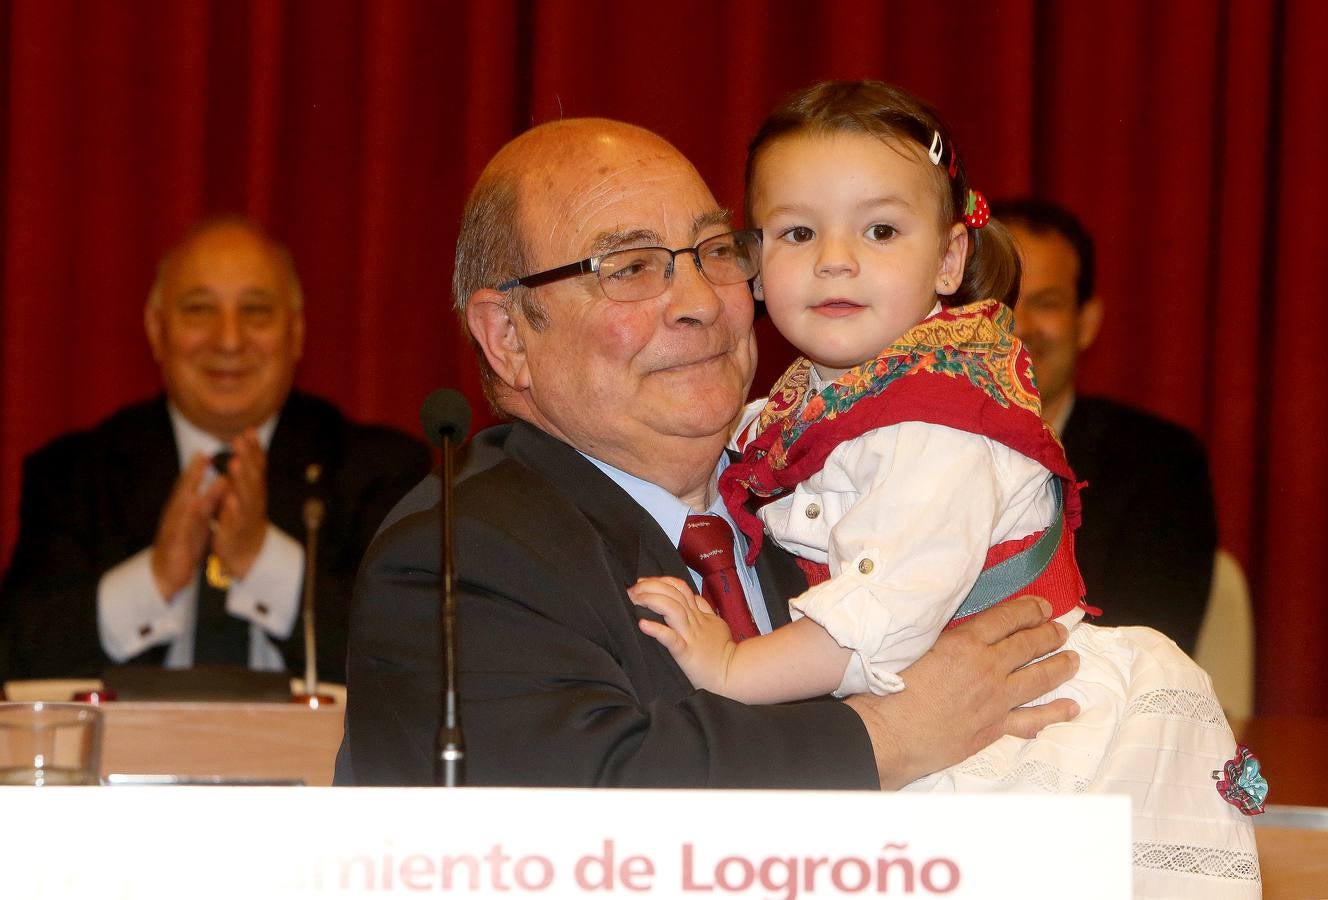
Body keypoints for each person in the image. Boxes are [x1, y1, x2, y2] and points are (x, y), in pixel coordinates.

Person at [628, 82, 1259, 898]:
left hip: (1003, 744)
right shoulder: (809, 400)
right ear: (752, 260)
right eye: (797, 232)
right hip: (916, 717)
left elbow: (875, 623)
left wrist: (729, 668)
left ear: (951, 258)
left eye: (882, 229)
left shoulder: (931, 425)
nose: (835, 259)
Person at [336, 116, 1082, 791]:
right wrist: (888, 736)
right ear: (509, 336)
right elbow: (575, 807)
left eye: (715, 252)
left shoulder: (820, 478)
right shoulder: (458, 557)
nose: (701, 301)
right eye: (629, 267)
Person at [0, 217, 430, 684]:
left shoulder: (382, 472)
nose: (228, 340)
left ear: (297, 333)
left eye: (257, 311)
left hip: (313, 757)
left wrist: (262, 561)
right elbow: (18, 660)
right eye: (199, 310)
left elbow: (413, 658)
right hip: (126, 757)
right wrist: (154, 579)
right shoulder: (73, 474)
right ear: (156, 329)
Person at [992, 198, 1217, 654]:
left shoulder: (1162, 462)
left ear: (1087, 322)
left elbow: (1150, 647)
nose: (1020, 326)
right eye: (1001, 301)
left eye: (1047, 303)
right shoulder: (903, 442)